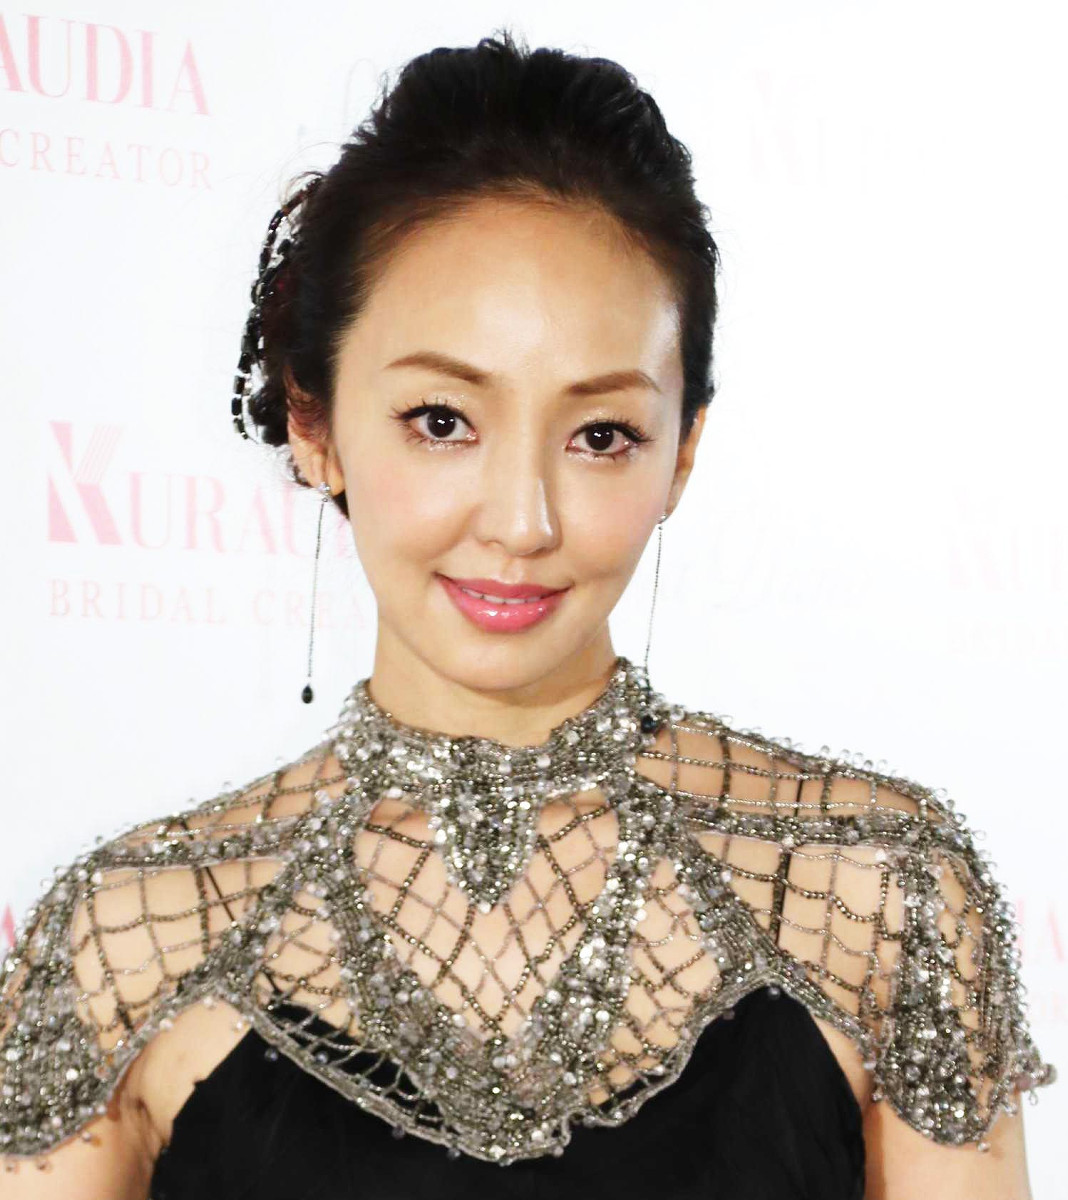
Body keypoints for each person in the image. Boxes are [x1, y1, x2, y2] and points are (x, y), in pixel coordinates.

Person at [0, 28, 1055, 1200]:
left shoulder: (880, 888)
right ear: (314, 422)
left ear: (682, 453)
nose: (521, 521)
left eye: (600, 435)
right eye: (442, 421)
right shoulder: (127, 939)